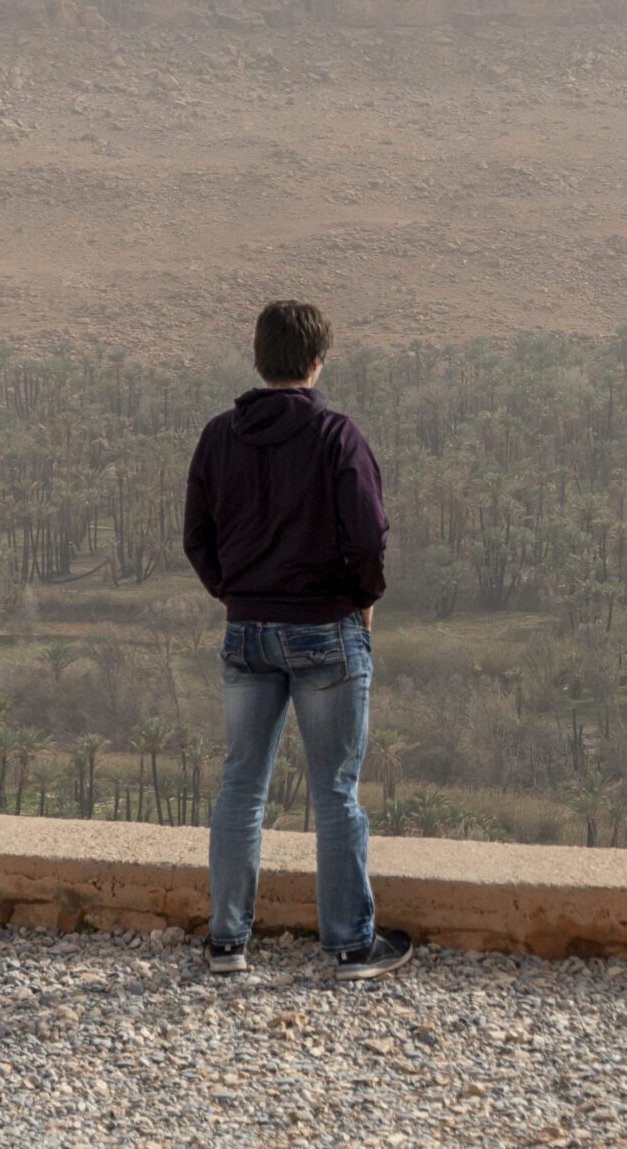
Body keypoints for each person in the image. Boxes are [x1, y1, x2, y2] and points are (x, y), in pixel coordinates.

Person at [183, 298, 412, 981]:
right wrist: (363, 599)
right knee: (334, 790)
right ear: (317, 361)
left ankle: (228, 941)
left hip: (247, 632)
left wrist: (235, 593)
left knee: (241, 784)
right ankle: (349, 945)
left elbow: (197, 537)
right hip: (327, 632)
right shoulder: (338, 436)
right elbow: (368, 536)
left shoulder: (220, 435)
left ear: (260, 358)